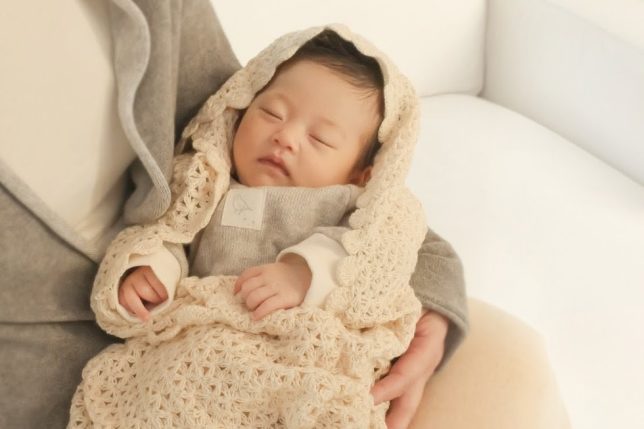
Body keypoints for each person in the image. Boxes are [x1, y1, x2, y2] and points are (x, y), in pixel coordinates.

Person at [67, 26, 466, 428]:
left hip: (296, 354)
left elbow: (375, 253)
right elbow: (172, 233)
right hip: (198, 344)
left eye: (321, 138)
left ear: (363, 174)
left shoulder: (352, 206)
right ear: (238, 112)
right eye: (271, 113)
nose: (285, 136)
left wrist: (304, 274)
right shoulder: (207, 183)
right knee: (158, 391)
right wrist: (153, 271)